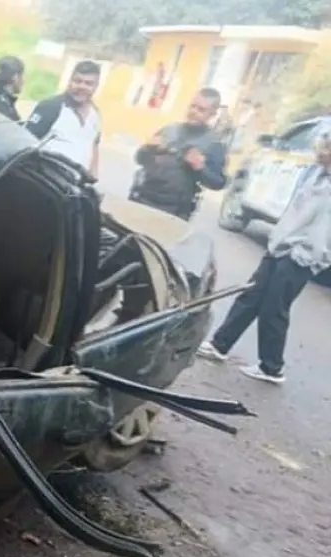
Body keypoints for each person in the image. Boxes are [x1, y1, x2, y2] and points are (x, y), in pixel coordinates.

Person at [197, 124, 331, 384]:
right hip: (282, 245)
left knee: (274, 307)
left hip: (302, 254)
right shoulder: (314, 173)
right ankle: (220, 344)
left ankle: (272, 367)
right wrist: (279, 241)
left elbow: (323, 229)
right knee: (252, 294)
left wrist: (306, 253)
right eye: (322, 144)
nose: (321, 150)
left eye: (327, 147)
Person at [131, 87, 229, 220]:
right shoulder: (169, 130)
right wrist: (147, 148)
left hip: (173, 212)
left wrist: (200, 168)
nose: (194, 112)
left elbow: (218, 182)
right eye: (192, 106)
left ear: (212, 114)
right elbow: (139, 159)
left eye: (201, 110)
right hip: (142, 200)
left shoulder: (213, 144)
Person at [25, 60, 103, 179]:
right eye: (77, 81)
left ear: (96, 87)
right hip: (45, 182)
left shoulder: (95, 115)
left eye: (88, 83)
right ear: (70, 81)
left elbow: (94, 145)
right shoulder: (50, 107)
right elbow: (25, 142)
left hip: (74, 187)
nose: (81, 87)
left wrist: (93, 176)